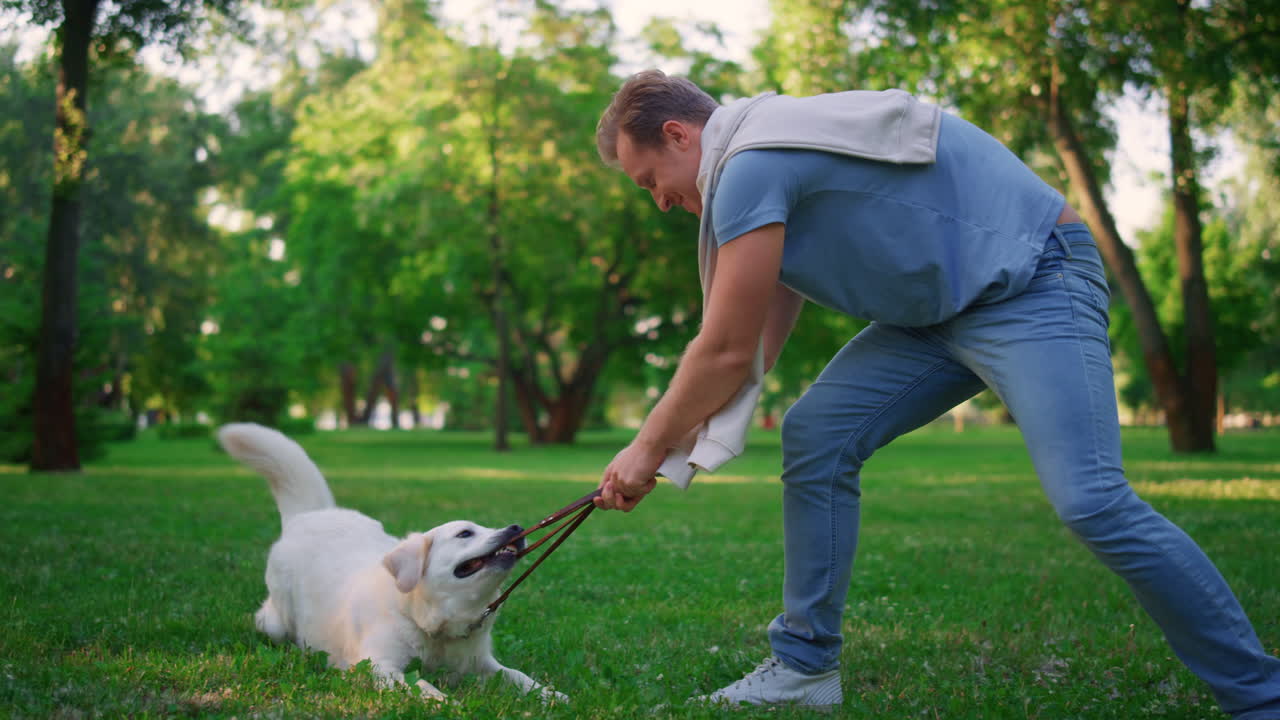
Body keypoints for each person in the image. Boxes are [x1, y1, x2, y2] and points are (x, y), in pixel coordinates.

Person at [589, 69, 1280, 717]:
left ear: (681, 135)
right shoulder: (753, 162)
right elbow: (750, 344)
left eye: (653, 180)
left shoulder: (751, 163)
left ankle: (1261, 694)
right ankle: (804, 669)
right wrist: (669, 447)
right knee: (816, 436)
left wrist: (645, 448)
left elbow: (726, 349)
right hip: (933, 319)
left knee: (1091, 499)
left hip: (1033, 278)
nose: (661, 202)